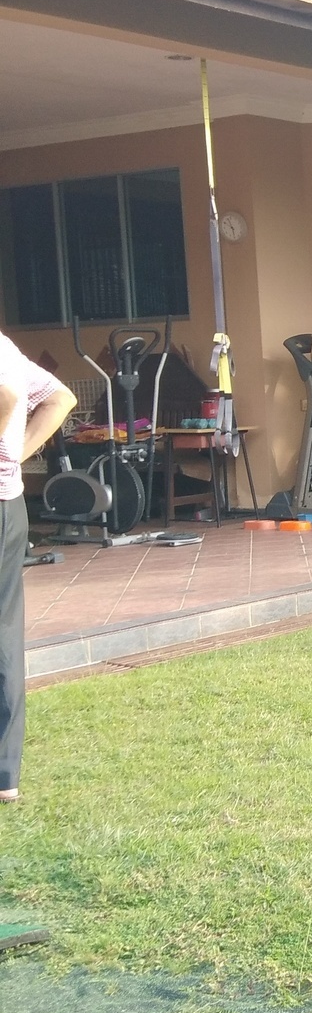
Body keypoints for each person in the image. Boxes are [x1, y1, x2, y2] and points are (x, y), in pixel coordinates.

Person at [0, 333, 75, 804]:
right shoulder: (5, 347)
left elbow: (8, 395)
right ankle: (4, 774)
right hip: (9, 505)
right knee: (4, 632)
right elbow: (59, 398)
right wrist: (14, 456)